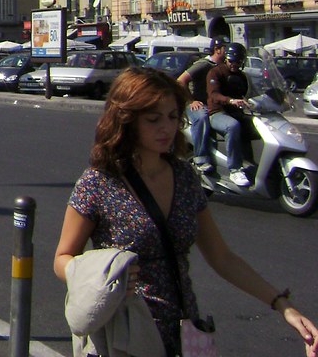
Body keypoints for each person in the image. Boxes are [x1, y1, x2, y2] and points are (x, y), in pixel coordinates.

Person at [54, 67, 318, 357]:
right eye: (153, 120)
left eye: (172, 116)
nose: (167, 128)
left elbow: (222, 257)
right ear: (126, 120)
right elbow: (63, 258)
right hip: (126, 334)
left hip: (184, 332)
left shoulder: (184, 176)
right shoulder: (99, 182)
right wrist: (102, 276)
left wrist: (283, 305)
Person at [177, 37, 227, 173]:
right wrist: (191, 100)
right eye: (225, 48)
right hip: (196, 104)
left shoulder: (223, 67)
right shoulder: (204, 64)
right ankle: (200, 158)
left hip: (213, 104)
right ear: (217, 50)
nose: (227, 51)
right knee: (201, 117)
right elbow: (181, 80)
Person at [206, 42, 252, 187]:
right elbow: (213, 94)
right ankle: (235, 169)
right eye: (231, 60)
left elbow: (247, 94)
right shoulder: (215, 72)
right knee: (232, 127)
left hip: (235, 112)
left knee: (255, 127)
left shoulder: (242, 76)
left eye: (237, 62)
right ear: (226, 58)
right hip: (217, 113)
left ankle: (249, 163)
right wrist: (230, 100)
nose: (234, 64)